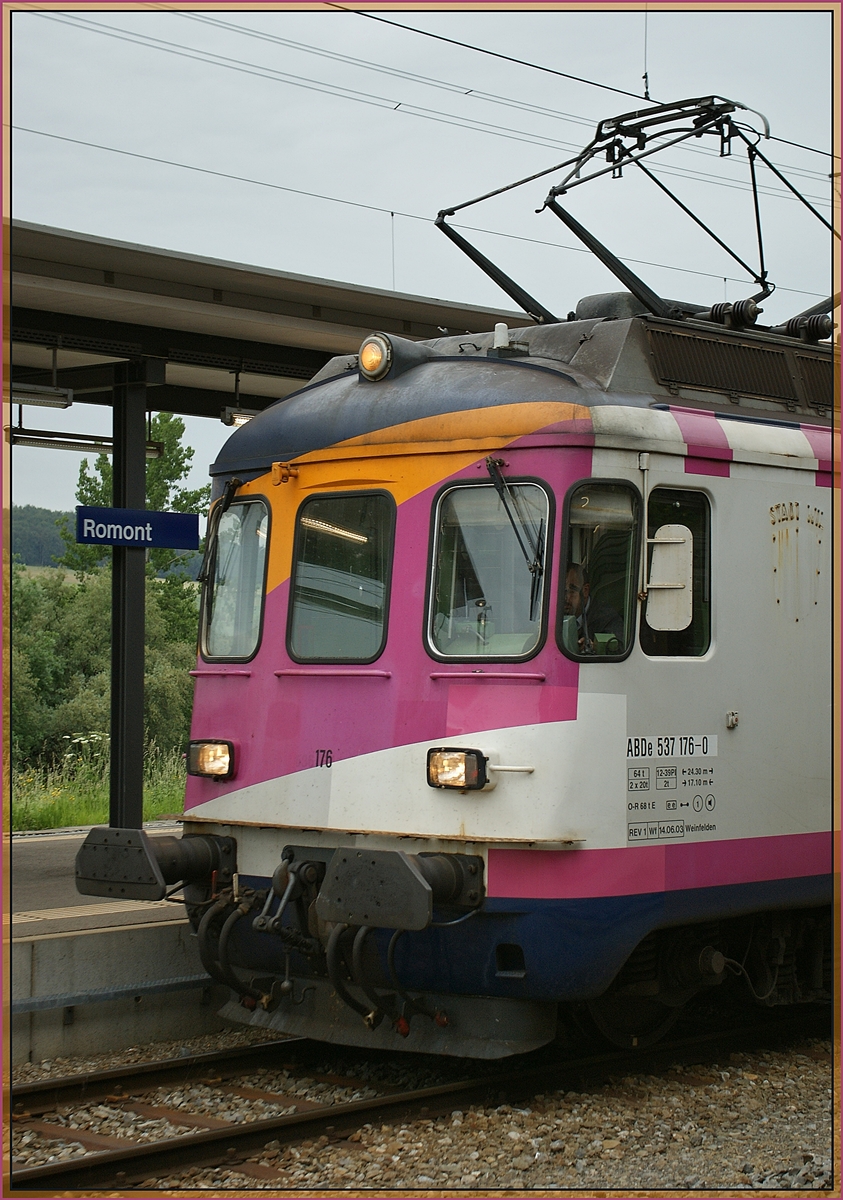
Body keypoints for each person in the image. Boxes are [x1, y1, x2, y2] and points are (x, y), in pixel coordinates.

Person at [564, 564, 625, 653]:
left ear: (585, 590)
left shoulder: (606, 618)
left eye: (571, 592)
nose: (565, 598)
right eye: (562, 592)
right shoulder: (551, 614)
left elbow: (619, 649)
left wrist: (594, 648)